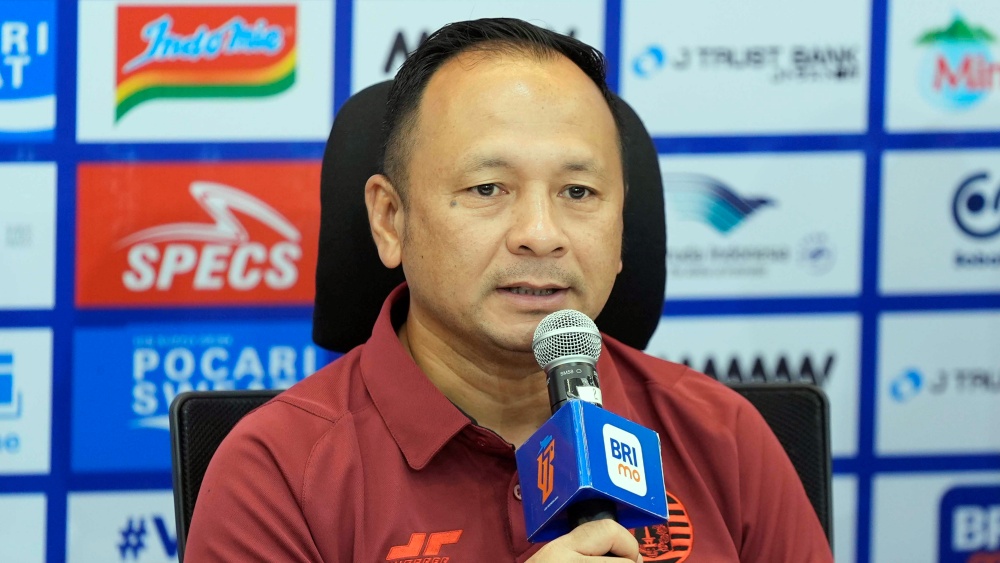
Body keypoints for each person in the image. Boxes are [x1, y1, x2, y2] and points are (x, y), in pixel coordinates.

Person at [184, 18, 833, 562]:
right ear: (390, 219)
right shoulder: (279, 472)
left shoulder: (722, 437)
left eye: (578, 191)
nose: (541, 234)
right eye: (488, 188)